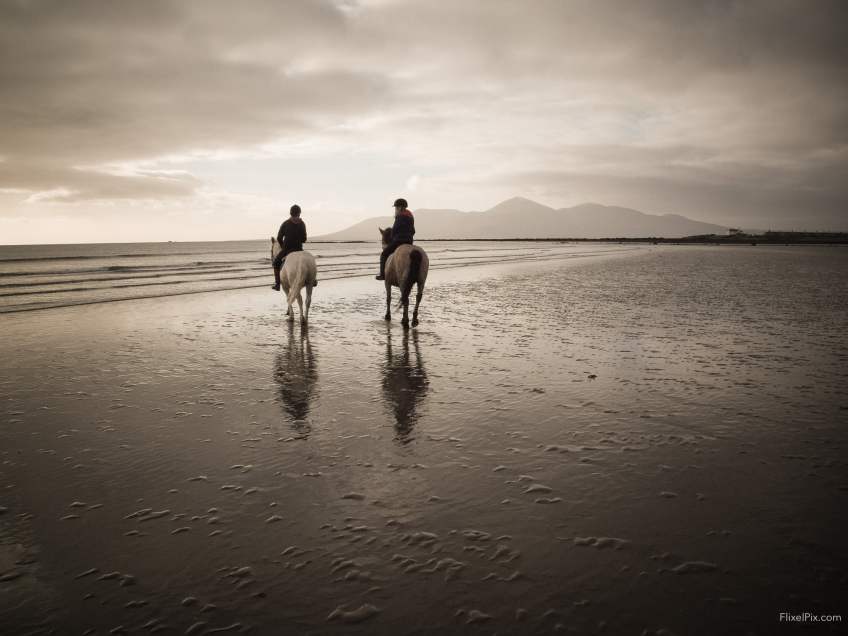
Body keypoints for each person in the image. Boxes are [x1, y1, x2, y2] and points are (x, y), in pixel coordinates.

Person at [271, 204, 310, 291]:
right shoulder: (302, 223)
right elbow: (304, 239)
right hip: (299, 249)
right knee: (308, 262)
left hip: (287, 249)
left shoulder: (285, 223)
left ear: (290, 213)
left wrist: (283, 246)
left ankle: (277, 284)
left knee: (276, 263)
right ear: (299, 213)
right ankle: (312, 280)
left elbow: (279, 238)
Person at [376, 198, 415, 280]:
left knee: (384, 254)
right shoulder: (411, 217)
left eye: (396, 208)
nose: (395, 210)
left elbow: (394, 231)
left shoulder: (400, 216)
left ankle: (382, 275)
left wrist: (393, 238)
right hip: (409, 242)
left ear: (400, 208)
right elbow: (413, 231)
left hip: (399, 241)